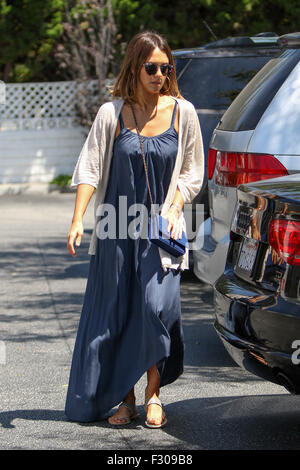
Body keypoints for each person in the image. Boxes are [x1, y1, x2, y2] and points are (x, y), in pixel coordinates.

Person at [65, 30, 204, 428]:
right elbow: (90, 167)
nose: (159, 74)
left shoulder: (184, 112)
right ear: (134, 66)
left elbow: (194, 172)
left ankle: (154, 392)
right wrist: (78, 217)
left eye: (165, 67)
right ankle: (126, 399)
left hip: (162, 231)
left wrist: (174, 207)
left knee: (154, 308)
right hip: (115, 229)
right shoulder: (112, 113)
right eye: (151, 67)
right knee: (120, 313)